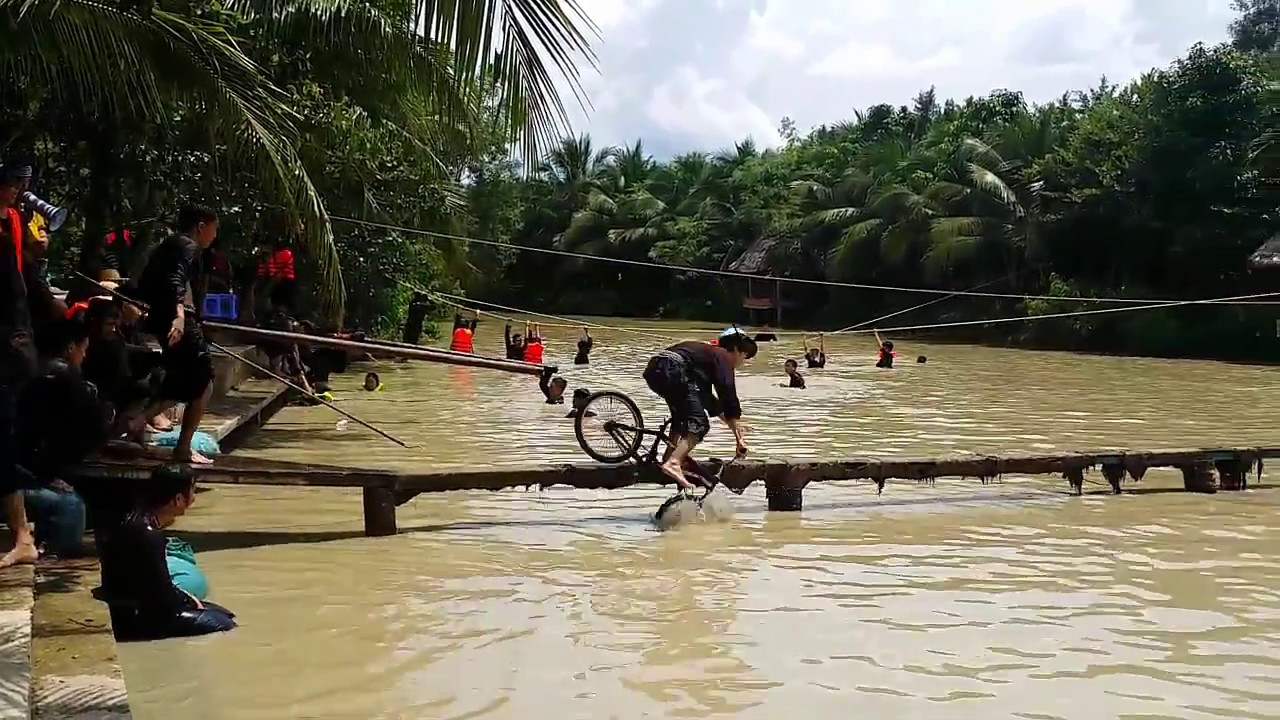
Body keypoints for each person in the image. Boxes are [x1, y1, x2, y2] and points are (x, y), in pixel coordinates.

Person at [97, 464, 236, 641]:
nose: (193, 499)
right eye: (192, 492)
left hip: (129, 606)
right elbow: (161, 596)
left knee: (224, 613)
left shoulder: (136, 518)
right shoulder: (148, 535)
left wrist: (188, 599)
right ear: (178, 499)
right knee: (225, 623)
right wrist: (187, 602)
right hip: (138, 618)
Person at [19, 315, 113, 558]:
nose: (84, 356)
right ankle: (55, 561)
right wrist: (45, 475)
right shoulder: (60, 378)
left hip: (32, 465)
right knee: (70, 506)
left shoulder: (32, 371)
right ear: (71, 348)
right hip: (23, 472)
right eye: (83, 349)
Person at [135, 204, 219, 464]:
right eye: (213, 230)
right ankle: (174, 442)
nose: (214, 237)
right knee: (201, 379)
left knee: (192, 381)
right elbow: (175, 281)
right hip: (176, 322)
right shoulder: (185, 245)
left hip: (170, 320)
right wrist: (180, 315)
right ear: (201, 226)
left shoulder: (170, 247)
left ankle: (137, 426)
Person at [642, 327, 754, 489]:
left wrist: (738, 436)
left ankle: (669, 456)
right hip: (674, 369)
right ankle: (674, 462)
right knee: (699, 424)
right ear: (736, 349)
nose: (742, 362)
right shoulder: (722, 355)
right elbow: (727, 391)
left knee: (683, 416)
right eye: (744, 356)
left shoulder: (703, 359)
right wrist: (736, 421)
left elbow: (711, 403)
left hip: (656, 369)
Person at [0, 163, 43, 567]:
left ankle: (23, 535)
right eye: (14, 183)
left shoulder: (14, 222)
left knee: (5, 439)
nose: (19, 190)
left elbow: (24, 276)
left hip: (11, 344)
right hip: (11, 339)